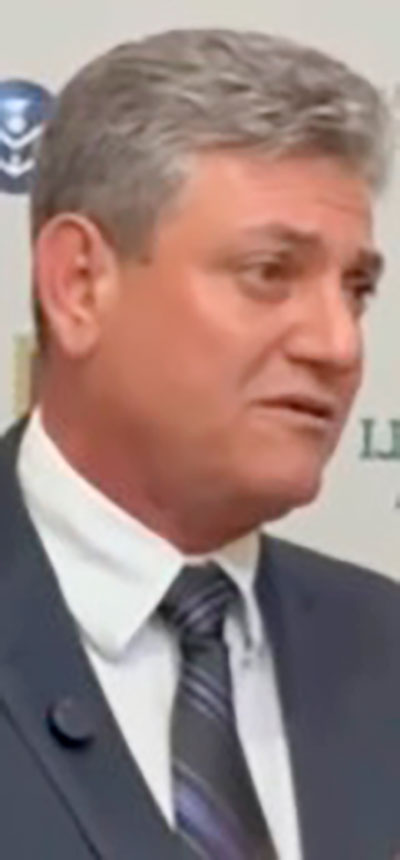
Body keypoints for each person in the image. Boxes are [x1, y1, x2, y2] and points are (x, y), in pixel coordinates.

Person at [0, 28, 399, 860]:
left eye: (356, 289)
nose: (338, 344)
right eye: (269, 273)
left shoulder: (384, 646)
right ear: (79, 285)